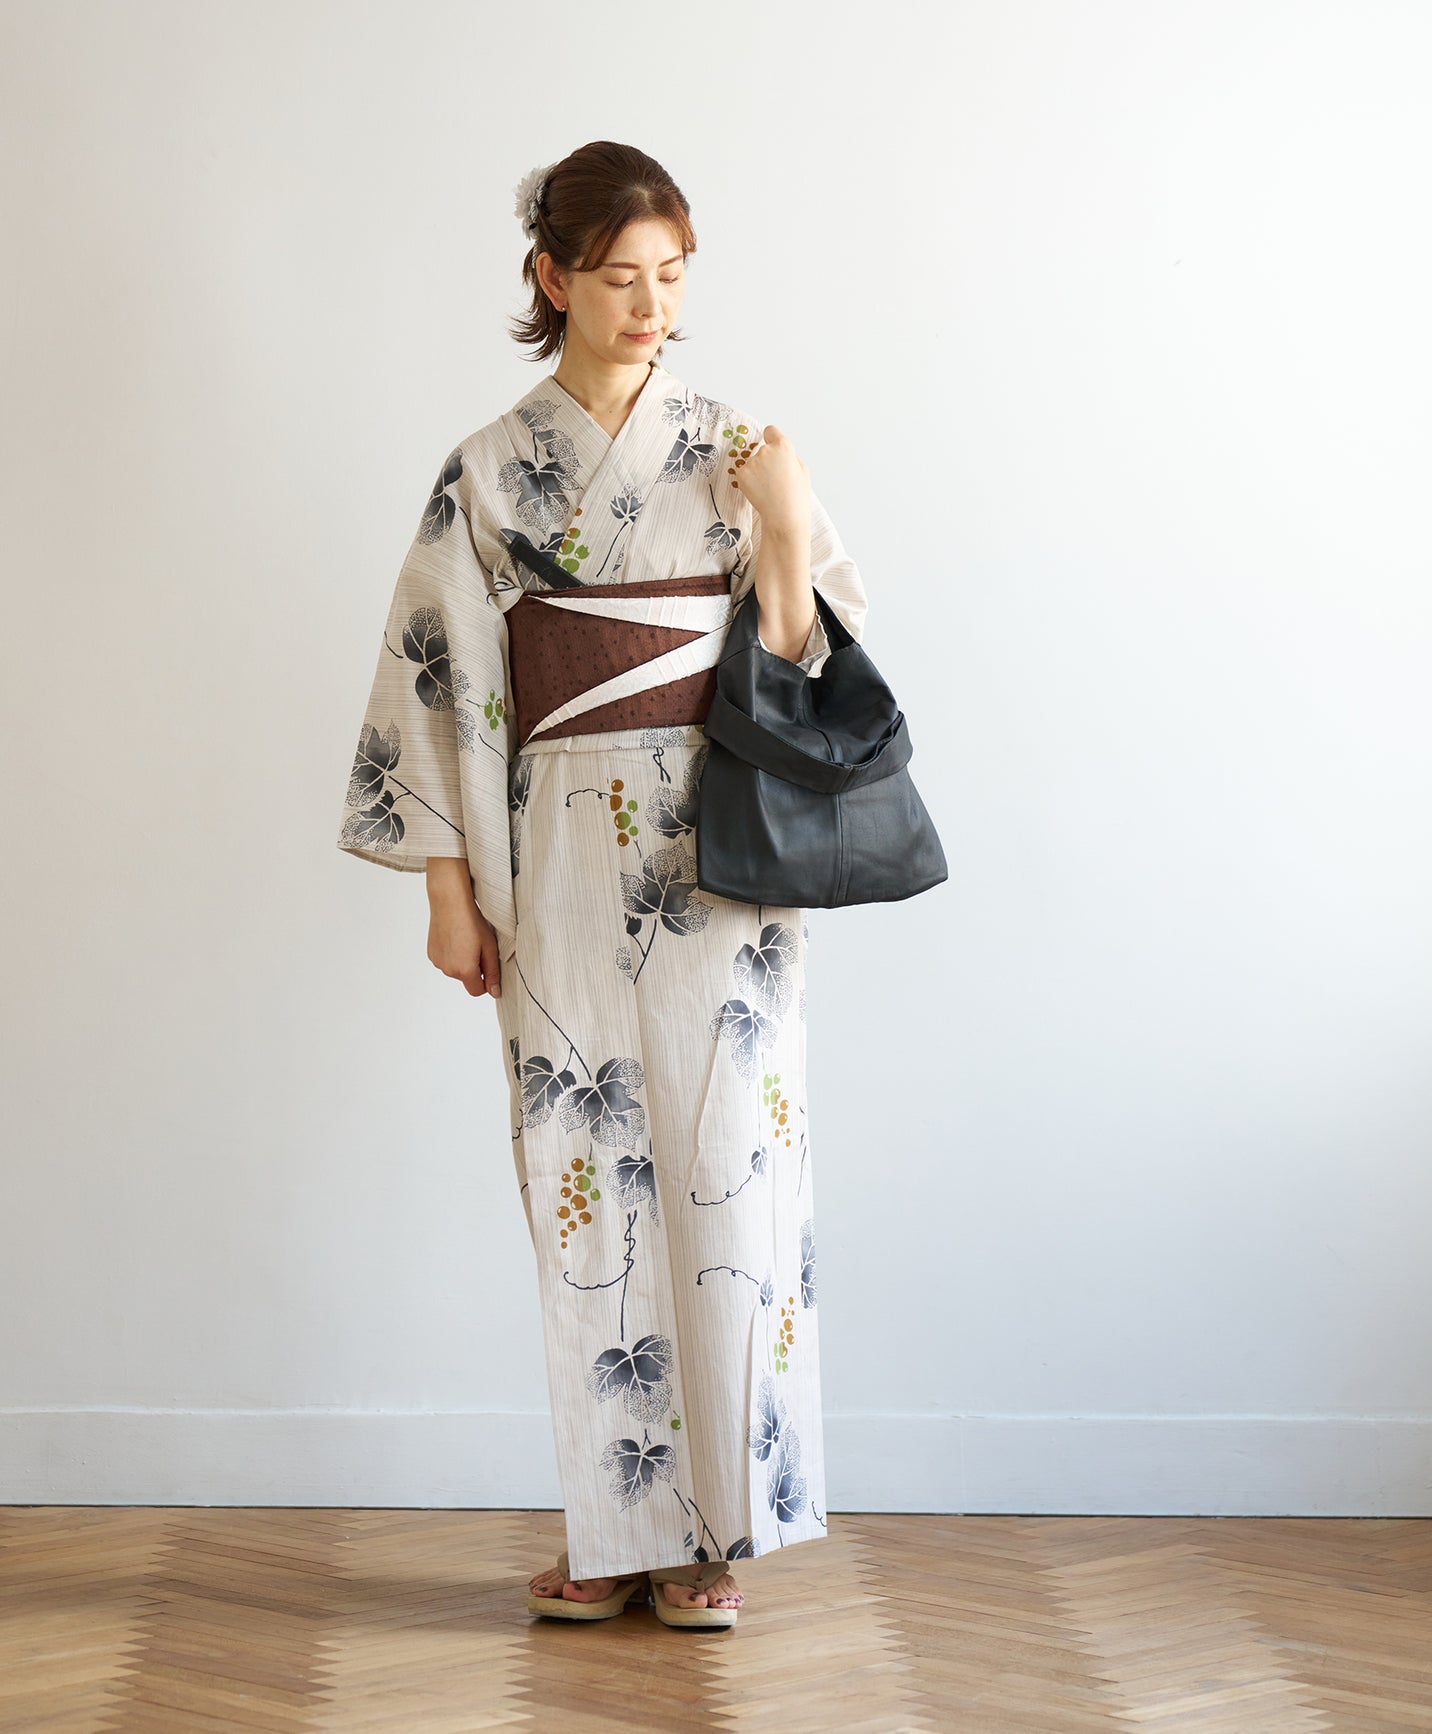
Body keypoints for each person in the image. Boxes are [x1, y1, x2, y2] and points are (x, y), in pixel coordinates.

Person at [336, 140, 867, 1624]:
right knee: (586, 1176)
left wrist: (781, 519)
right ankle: (615, 1528)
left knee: (727, 1175)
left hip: (722, 852)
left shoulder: (734, 446)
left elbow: (806, 665)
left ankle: (713, 1539)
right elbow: (436, 674)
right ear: (552, 277)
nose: (651, 306)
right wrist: (446, 886)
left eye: (673, 278)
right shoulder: (488, 468)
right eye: (622, 277)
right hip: (558, 849)